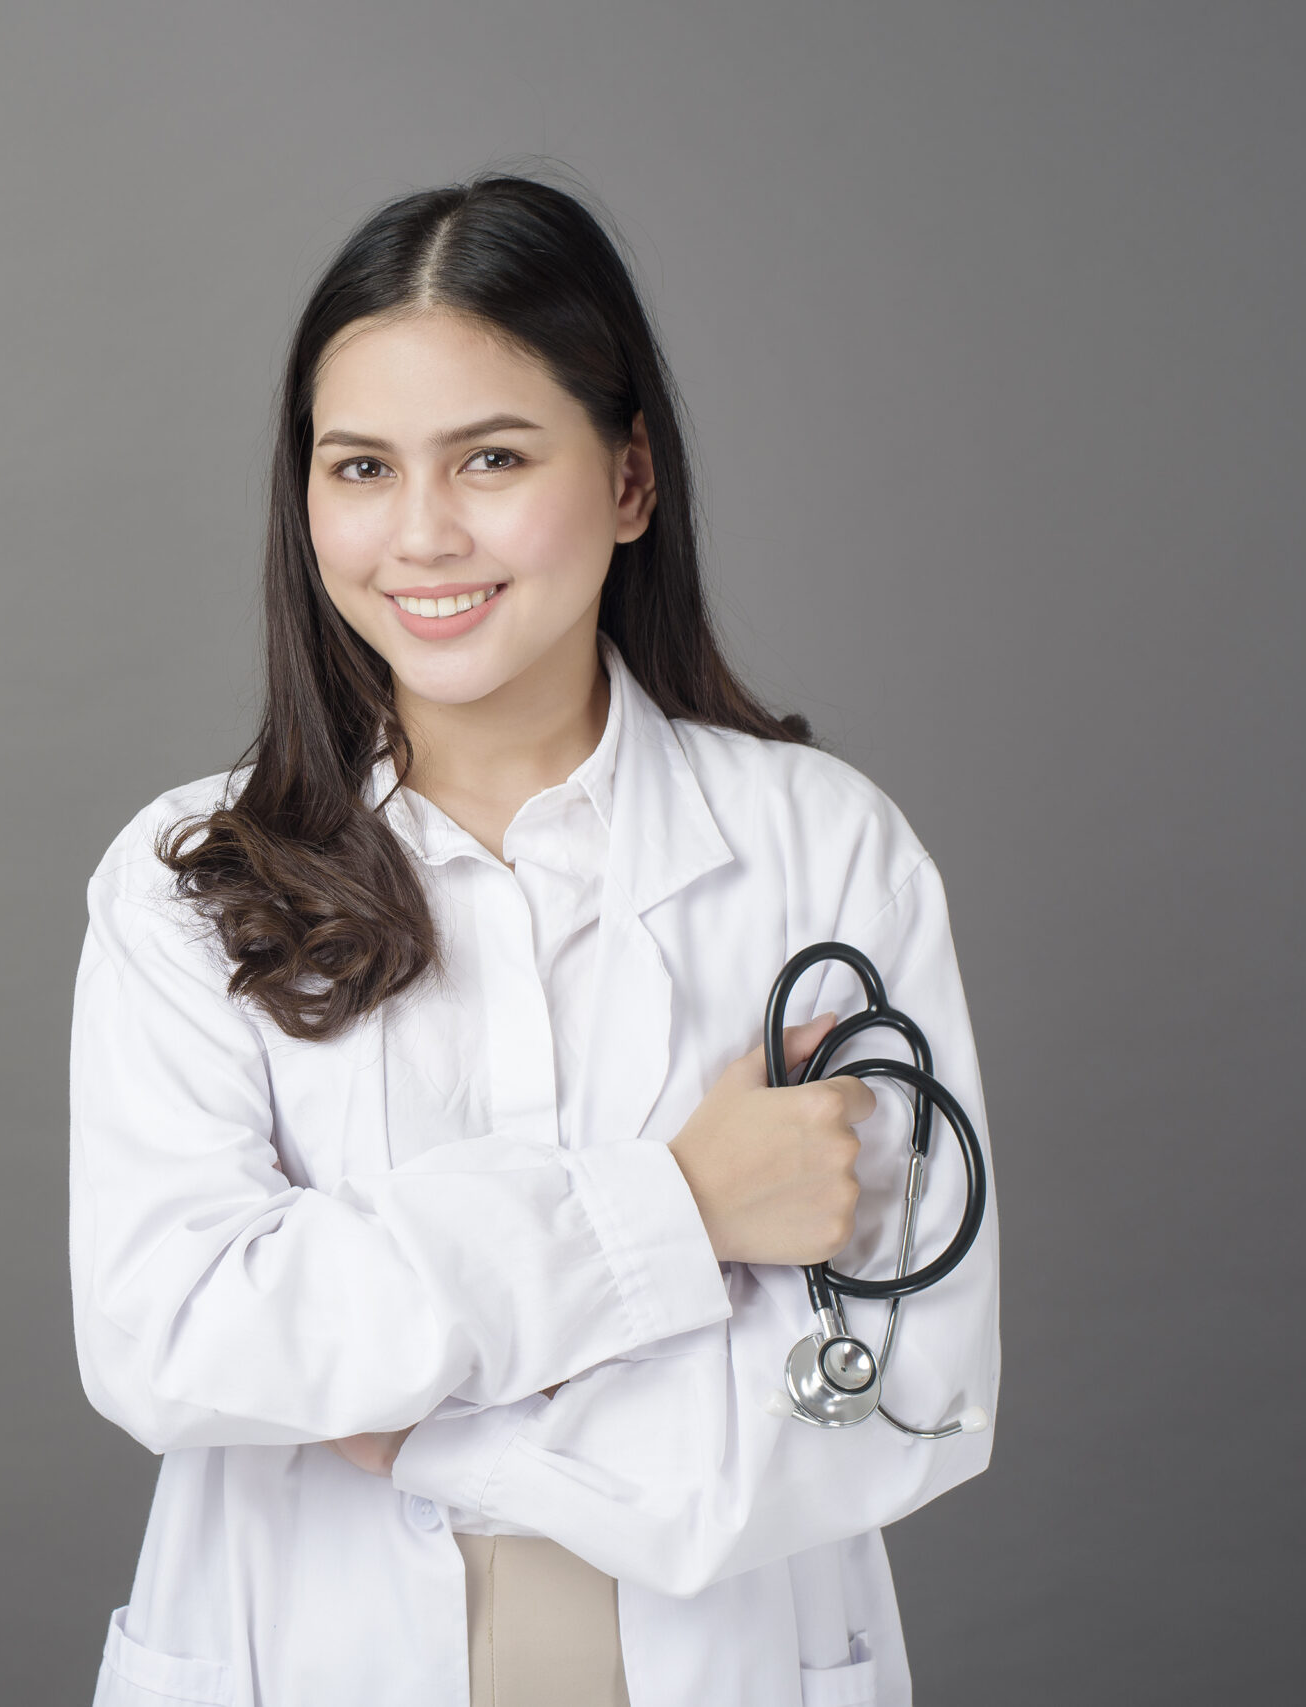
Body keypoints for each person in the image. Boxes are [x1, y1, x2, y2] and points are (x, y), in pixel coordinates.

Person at [67, 175, 1000, 1707]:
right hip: (301, 1652)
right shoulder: (186, 883)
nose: (421, 534)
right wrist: (679, 1209)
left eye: (492, 458)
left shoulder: (821, 851)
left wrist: (428, 1420)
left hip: (728, 1658)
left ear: (631, 481)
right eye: (361, 466)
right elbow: (175, 1344)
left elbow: (907, 1393)